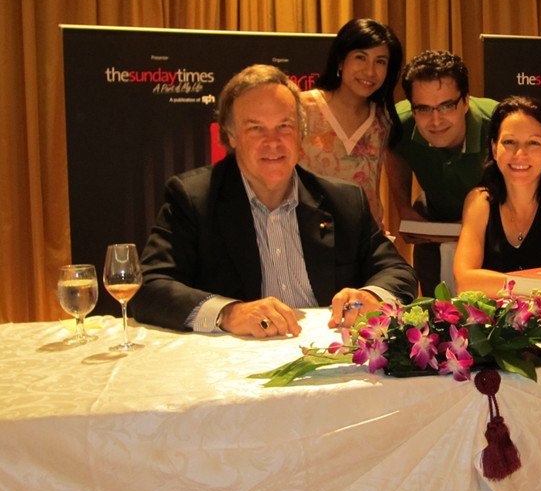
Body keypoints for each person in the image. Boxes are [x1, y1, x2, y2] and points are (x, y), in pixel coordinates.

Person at [130, 64, 417, 337]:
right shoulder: (194, 199)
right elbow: (148, 287)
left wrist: (370, 296)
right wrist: (228, 313)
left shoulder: (343, 201)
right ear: (230, 135)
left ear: (301, 133)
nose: (273, 142)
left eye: (284, 126)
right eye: (256, 128)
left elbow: (396, 271)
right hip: (235, 361)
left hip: (325, 355)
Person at [386, 50, 497, 296]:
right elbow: (393, 151)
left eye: (447, 106)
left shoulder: (499, 124)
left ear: (466, 101)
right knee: (435, 306)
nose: (436, 120)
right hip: (434, 223)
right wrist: (403, 207)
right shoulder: (398, 122)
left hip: (495, 231)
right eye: (424, 109)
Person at [453, 96, 541, 295]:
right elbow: (465, 283)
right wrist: (540, 284)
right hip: (492, 316)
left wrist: (493, 283)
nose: (520, 154)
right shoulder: (479, 200)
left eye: (533, 143)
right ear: (494, 149)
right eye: (509, 142)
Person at [299, 18, 403, 227]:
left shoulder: (383, 120)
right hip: (307, 232)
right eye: (360, 57)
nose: (370, 71)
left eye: (380, 61)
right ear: (340, 60)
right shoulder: (302, 107)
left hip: (364, 237)